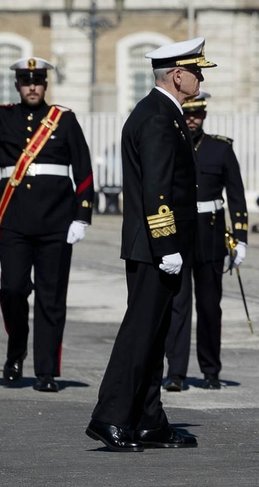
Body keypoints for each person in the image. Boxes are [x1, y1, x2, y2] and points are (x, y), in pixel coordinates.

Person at [87, 37, 211, 453]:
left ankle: (147, 419)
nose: (200, 79)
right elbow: (157, 187)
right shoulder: (158, 117)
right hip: (155, 248)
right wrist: (166, 244)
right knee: (140, 334)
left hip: (155, 245)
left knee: (155, 334)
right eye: (196, 72)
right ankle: (110, 416)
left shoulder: (163, 112)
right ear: (177, 75)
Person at [0, 57, 94, 393]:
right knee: (12, 289)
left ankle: (46, 371)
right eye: (26, 81)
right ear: (17, 85)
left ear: (45, 85)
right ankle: (16, 348)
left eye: (37, 81)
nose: (32, 87)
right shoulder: (1, 116)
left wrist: (82, 215)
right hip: (13, 220)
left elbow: (83, 168)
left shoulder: (63, 119)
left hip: (56, 220)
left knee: (52, 298)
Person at [164, 90, 248, 392]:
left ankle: (211, 370)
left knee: (210, 306)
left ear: (205, 115)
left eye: (197, 114)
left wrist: (241, 238)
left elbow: (236, 196)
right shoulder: (170, 145)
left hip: (211, 236)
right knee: (178, 306)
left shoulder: (220, 149)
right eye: (188, 113)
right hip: (180, 234)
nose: (192, 119)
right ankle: (176, 372)